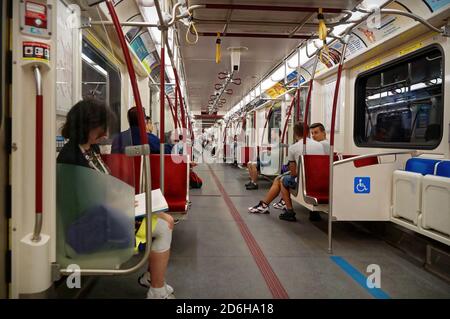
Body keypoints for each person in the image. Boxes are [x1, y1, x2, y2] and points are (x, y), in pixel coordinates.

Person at [58, 99, 175, 299]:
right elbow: (86, 202)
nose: (105, 133)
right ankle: (157, 289)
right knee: (165, 226)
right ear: (88, 126)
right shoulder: (71, 158)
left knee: (164, 218)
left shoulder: (89, 150)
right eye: (101, 128)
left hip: (101, 216)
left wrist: (128, 202)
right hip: (88, 228)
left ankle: (152, 277)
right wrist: (128, 206)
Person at [248, 122, 325, 218]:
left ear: (295, 134)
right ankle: (313, 213)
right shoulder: (319, 146)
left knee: (281, 180)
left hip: (304, 181)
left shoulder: (293, 148)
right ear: (308, 133)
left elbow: (293, 173)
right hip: (318, 180)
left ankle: (289, 210)